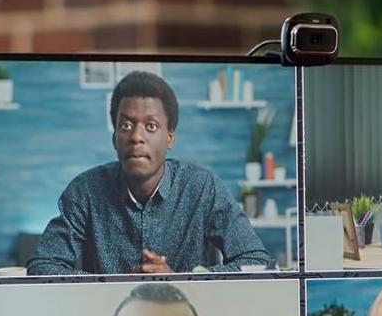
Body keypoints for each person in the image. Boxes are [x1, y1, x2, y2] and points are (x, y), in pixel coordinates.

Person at [28, 71, 272, 275]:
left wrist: (182, 280)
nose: (136, 137)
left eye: (151, 126)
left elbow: (255, 261)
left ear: (169, 138)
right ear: (115, 138)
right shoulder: (85, 191)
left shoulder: (202, 187)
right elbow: (43, 266)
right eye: (126, 125)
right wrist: (111, 285)